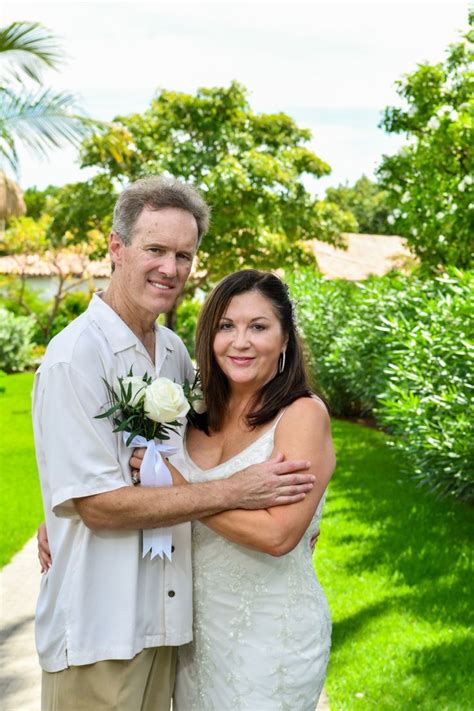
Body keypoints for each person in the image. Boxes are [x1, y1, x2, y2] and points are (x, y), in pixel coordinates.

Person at [32, 178, 316, 711]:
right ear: (117, 249)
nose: (170, 267)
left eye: (184, 254)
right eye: (155, 249)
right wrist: (237, 490)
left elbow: (185, 456)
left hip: (167, 627)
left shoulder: (172, 352)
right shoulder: (77, 357)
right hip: (102, 631)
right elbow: (97, 505)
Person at [132, 269, 336, 709]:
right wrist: (61, 519)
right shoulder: (190, 408)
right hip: (191, 636)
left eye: (258, 327)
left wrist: (181, 493)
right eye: (226, 326)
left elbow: (278, 536)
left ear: (285, 341)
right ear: (209, 336)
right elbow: (127, 473)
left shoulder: (302, 415)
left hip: (270, 634)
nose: (240, 342)